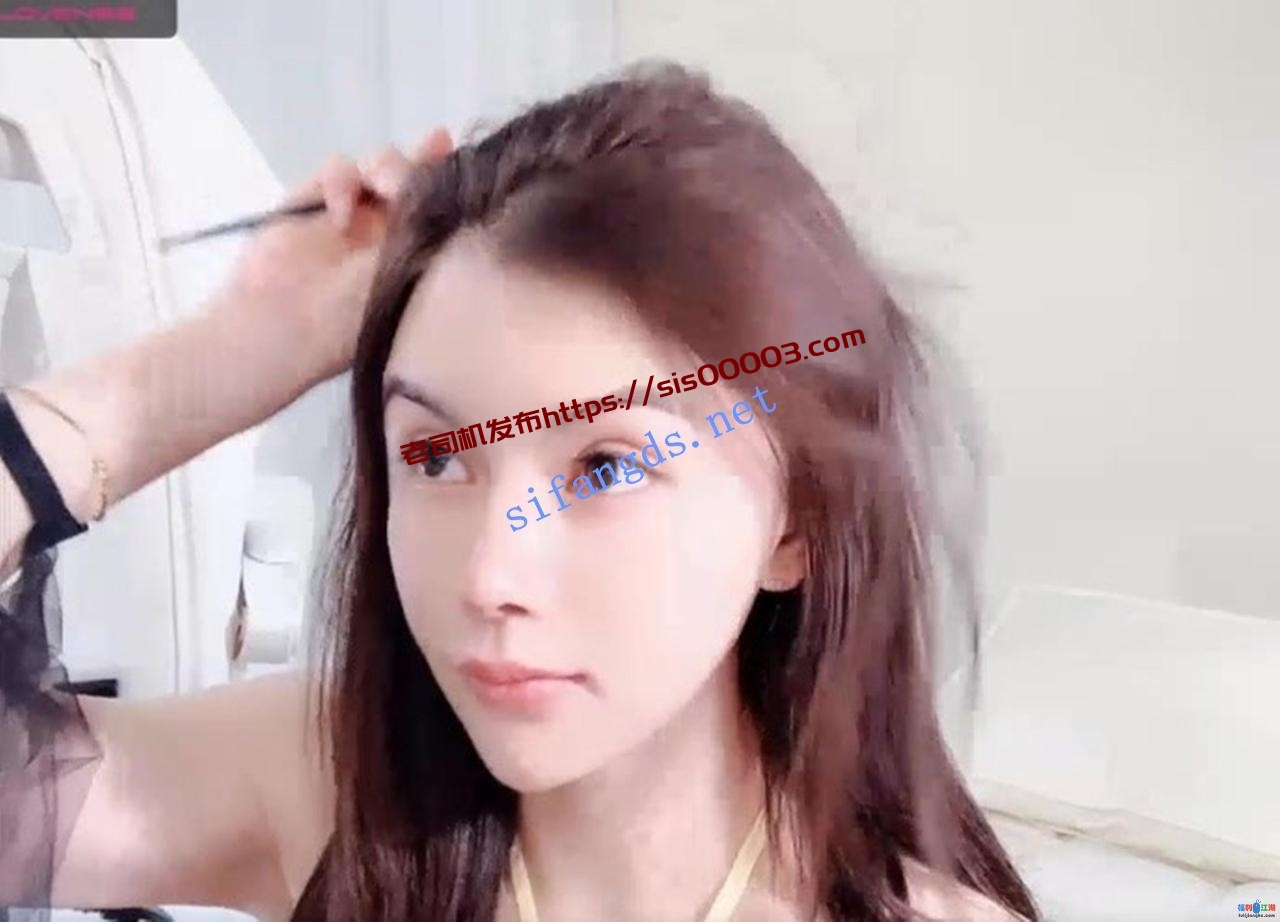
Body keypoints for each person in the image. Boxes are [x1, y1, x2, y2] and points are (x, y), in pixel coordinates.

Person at [0, 62, 1039, 922]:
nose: (489, 574)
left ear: (795, 522)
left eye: (608, 467)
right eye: (436, 458)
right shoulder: (331, 791)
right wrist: (203, 370)